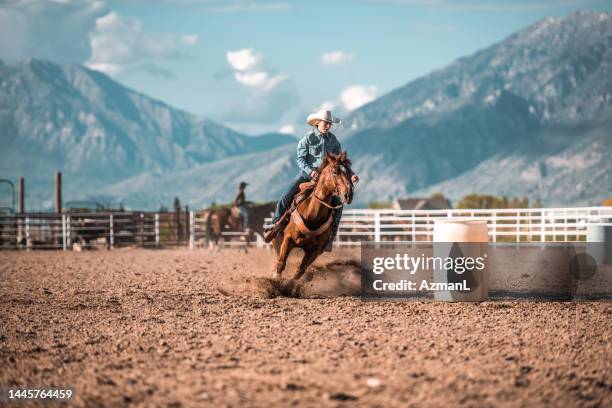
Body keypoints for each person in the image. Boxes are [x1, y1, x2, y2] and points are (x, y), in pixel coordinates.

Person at [268, 109, 359, 251]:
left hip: (328, 179)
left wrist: (351, 174)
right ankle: (276, 226)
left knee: (338, 205)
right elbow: (300, 159)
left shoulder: (333, 140)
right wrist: (311, 172)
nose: (328, 126)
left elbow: (340, 162)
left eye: (329, 123)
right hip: (306, 175)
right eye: (325, 123)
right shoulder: (308, 139)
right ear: (317, 123)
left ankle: (330, 237)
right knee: (286, 196)